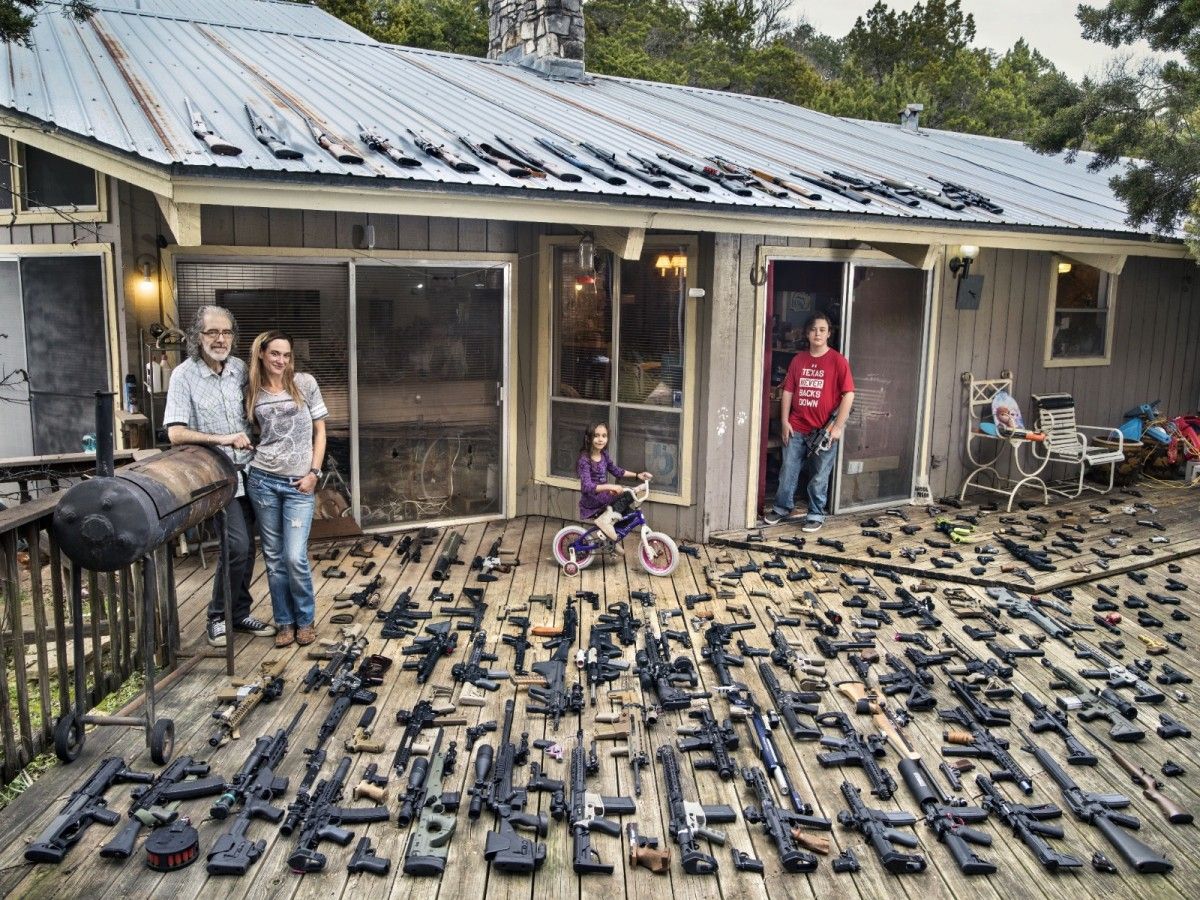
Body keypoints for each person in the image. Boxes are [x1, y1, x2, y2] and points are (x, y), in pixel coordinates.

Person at [163, 306, 277, 647]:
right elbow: (176, 433)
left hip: (251, 473)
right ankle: (218, 616)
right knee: (237, 546)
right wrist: (223, 439)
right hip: (215, 477)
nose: (220, 339)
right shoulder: (184, 376)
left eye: (226, 332)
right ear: (198, 337)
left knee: (248, 547)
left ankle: (239, 613)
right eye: (212, 332)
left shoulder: (240, 369)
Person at [244, 331, 328, 648]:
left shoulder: (304, 384)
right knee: (275, 558)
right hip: (263, 480)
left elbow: (320, 432)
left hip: (300, 485)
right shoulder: (251, 391)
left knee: (295, 557)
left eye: (286, 355)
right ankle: (285, 623)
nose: (281, 360)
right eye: (275, 354)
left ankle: (305, 620)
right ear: (262, 354)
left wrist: (314, 473)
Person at [763, 312, 855, 532]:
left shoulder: (838, 361)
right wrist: (785, 421)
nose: (817, 333)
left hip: (824, 431)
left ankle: (815, 513)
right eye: (813, 329)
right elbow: (788, 391)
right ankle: (782, 507)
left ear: (829, 333)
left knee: (819, 475)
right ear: (807, 333)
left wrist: (837, 427)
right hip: (797, 426)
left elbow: (849, 395)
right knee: (788, 469)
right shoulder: (798, 360)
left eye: (822, 330)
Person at [576, 423, 651, 550]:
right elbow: (587, 487)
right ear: (588, 438)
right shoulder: (585, 460)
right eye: (596, 436)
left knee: (630, 517)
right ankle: (604, 521)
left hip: (604, 497)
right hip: (592, 501)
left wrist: (638, 475)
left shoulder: (604, 455)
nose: (601, 439)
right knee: (627, 494)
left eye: (604, 436)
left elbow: (616, 471)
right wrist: (610, 486)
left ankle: (609, 539)